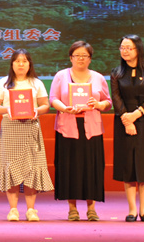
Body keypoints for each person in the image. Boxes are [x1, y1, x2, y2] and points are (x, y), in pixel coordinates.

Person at [49, 40, 112, 221]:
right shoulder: (61, 76)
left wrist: (98, 104)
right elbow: (53, 98)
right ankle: (72, 209)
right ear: (71, 57)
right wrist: (65, 108)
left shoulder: (98, 78)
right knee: (69, 168)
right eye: (77, 55)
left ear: (90, 59)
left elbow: (108, 102)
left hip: (91, 128)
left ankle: (91, 209)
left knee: (91, 168)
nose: (81, 59)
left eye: (85, 56)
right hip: (67, 127)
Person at [0, 49, 54, 222]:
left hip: (31, 127)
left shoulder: (36, 83)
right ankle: (13, 210)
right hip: (10, 128)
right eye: (17, 61)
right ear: (12, 64)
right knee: (11, 168)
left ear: (29, 64)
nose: (21, 64)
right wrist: (7, 109)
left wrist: (36, 111)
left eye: (24, 61)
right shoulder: (3, 83)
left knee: (31, 167)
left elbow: (45, 105)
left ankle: (31, 210)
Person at [111, 34, 144, 222]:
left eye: (128, 48)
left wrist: (135, 115)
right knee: (128, 166)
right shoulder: (116, 73)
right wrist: (127, 120)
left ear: (138, 50)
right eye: (122, 48)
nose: (124, 51)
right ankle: (132, 210)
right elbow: (116, 98)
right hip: (123, 121)